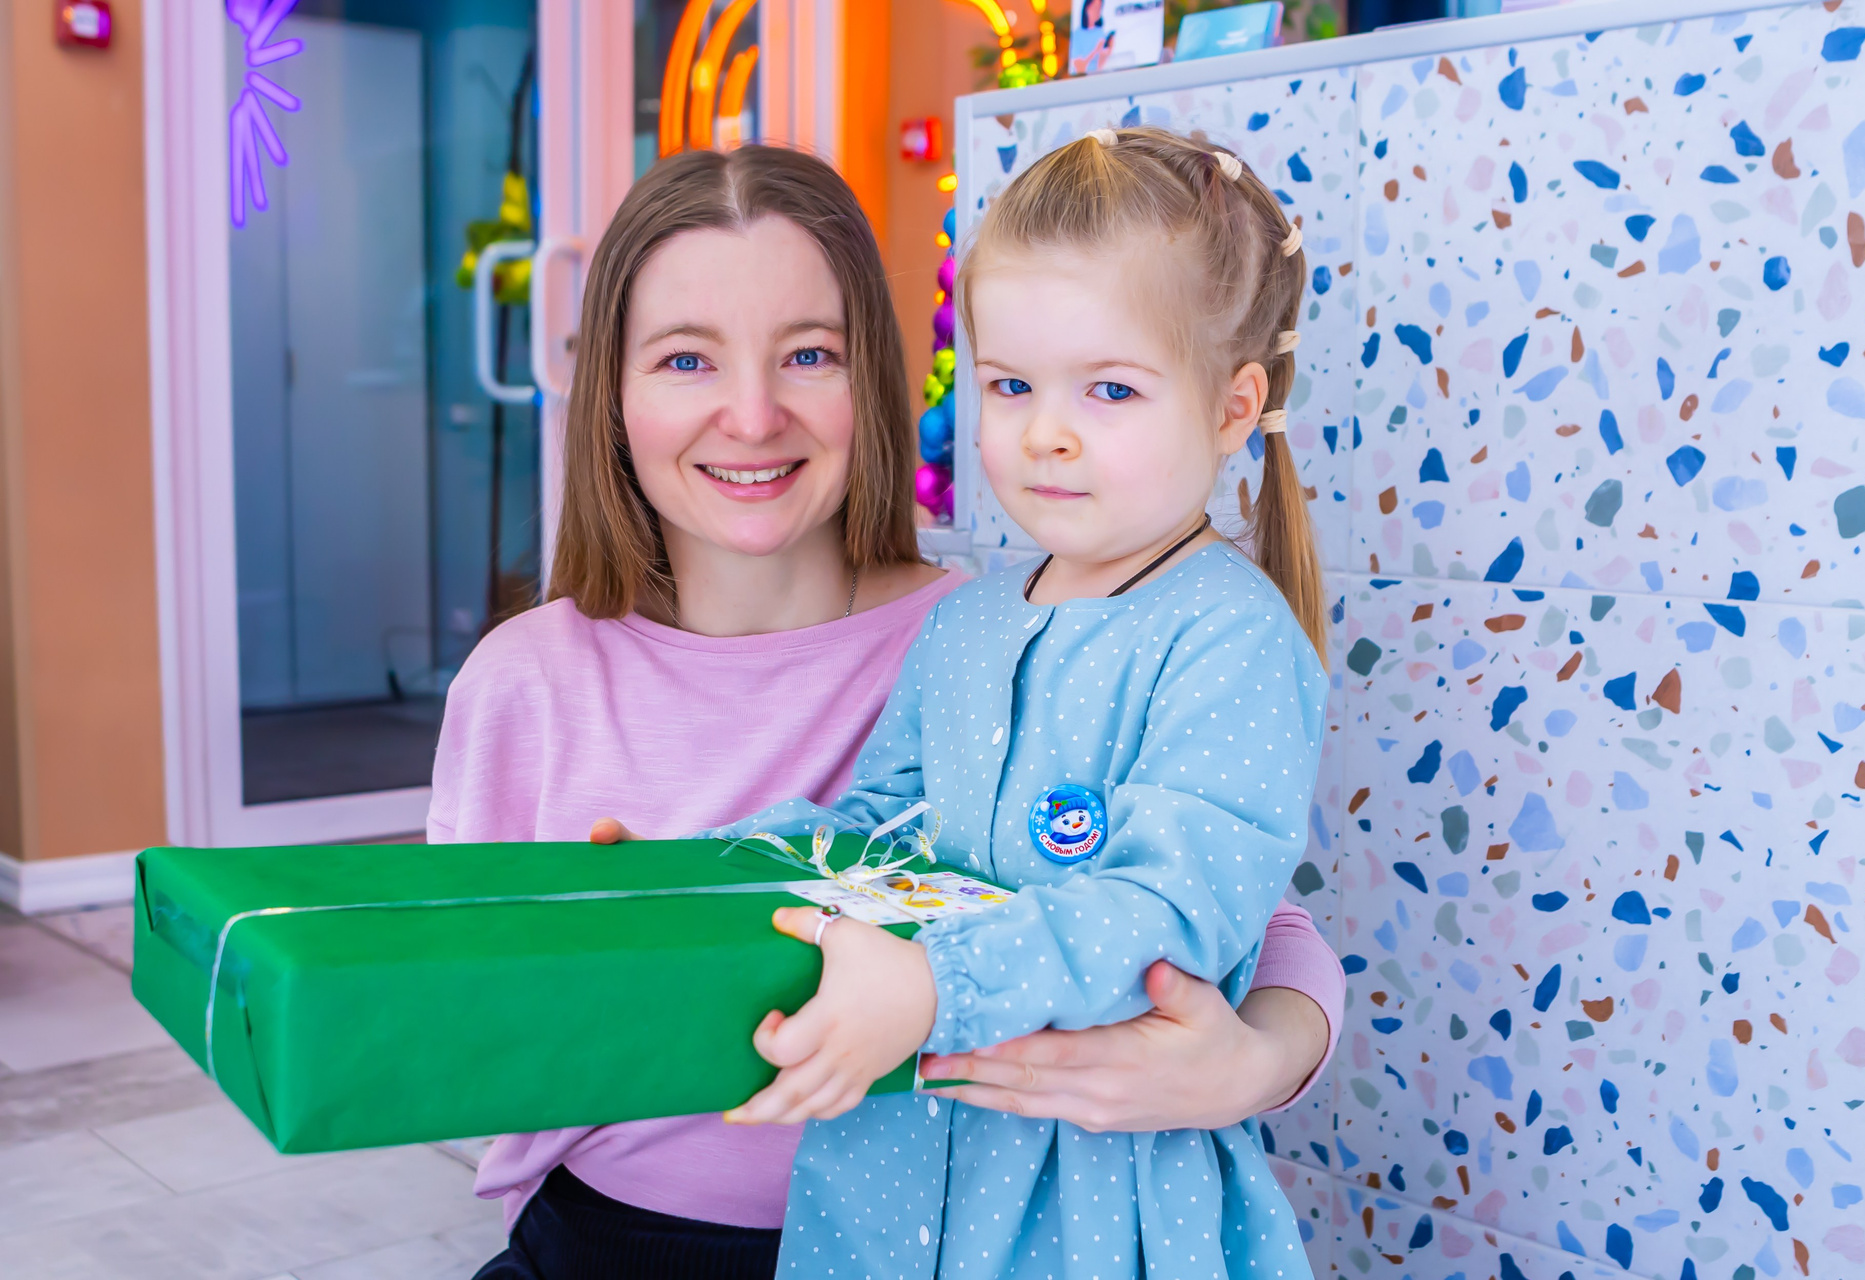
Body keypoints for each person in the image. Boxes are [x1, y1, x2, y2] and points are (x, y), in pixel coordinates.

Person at [434, 143, 1341, 1280]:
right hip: (695, 1232)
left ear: (872, 378)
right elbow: (872, 839)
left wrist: (1260, 1061)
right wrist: (690, 880)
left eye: (808, 353)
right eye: (685, 358)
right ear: (609, 391)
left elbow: (1233, 910)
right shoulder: (527, 681)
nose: (751, 414)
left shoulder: (997, 620)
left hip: (972, 1224)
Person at [714, 126, 1326, 1280]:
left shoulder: (1232, 639)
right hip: (891, 1172)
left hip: (1087, 1192)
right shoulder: (966, 622)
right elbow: (876, 833)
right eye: (1009, 385)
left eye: (1110, 387)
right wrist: (700, 873)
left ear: (1233, 406)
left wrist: (937, 982)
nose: (1045, 430)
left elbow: (1169, 907)